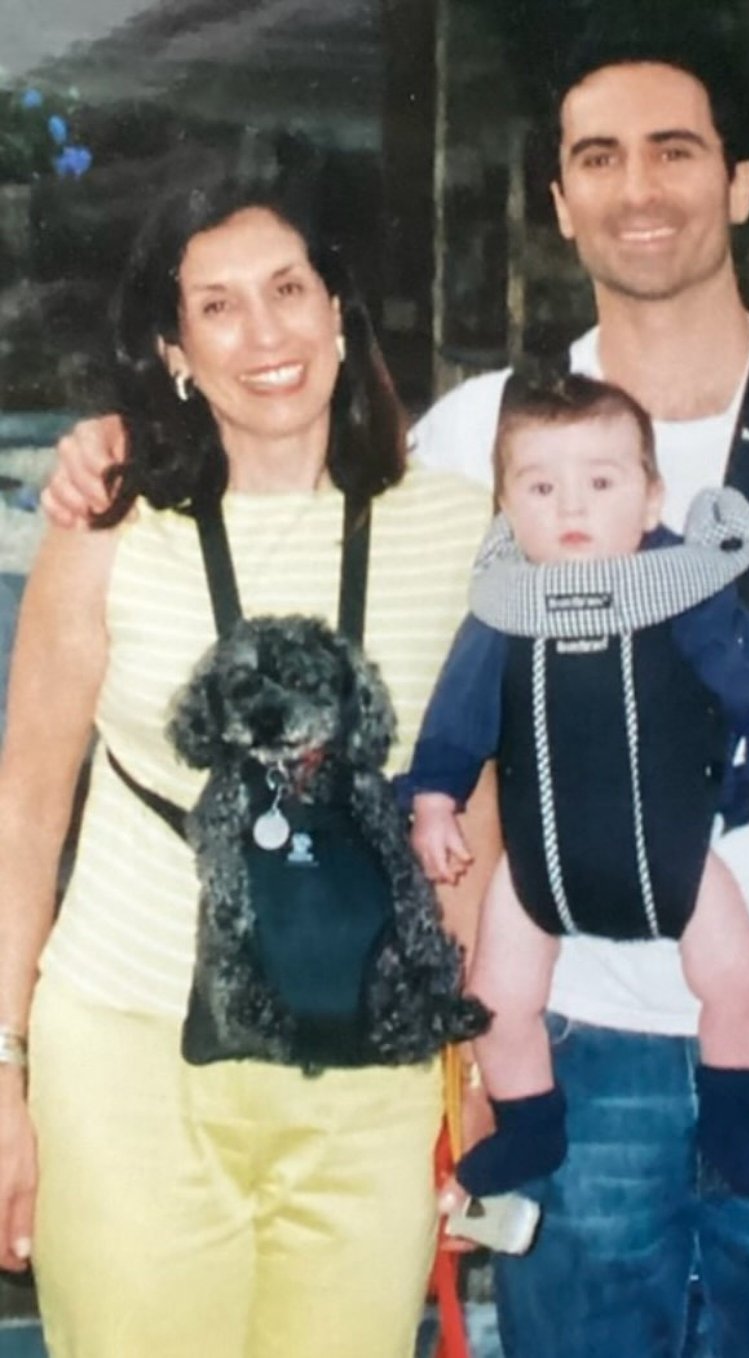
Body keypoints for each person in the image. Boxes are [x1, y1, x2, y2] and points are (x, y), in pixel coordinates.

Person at [36, 35, 749, 1358]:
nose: (639, 187)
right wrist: (112, 442)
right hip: (565, 1045)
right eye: (596, 158)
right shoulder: (474, 440)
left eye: (676, 150)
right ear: (559, 202)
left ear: (739, 184)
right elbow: (296, 468)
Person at [0, 174, 496, 1358]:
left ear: (339, 313)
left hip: (370, 1070)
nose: (264, 334)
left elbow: (470, 810)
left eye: (288, 290)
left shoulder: (460, 520)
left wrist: (475, 1061)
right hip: (130, 1053)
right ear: (173, 348)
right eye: (216, 307)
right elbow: (24, 810)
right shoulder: (106, 518)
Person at [404, 371, 749, 1204]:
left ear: (649, 498)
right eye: (540, 486)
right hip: (536, 874)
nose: (571, 508)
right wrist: (432, 804)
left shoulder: (688, 594)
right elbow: (455, 717)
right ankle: (531, 1122)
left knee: (739, 981)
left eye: (600, 484)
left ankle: (729, 1121)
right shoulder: (504, 608)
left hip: (675, 860)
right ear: (505, 507)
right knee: (495, 1000)